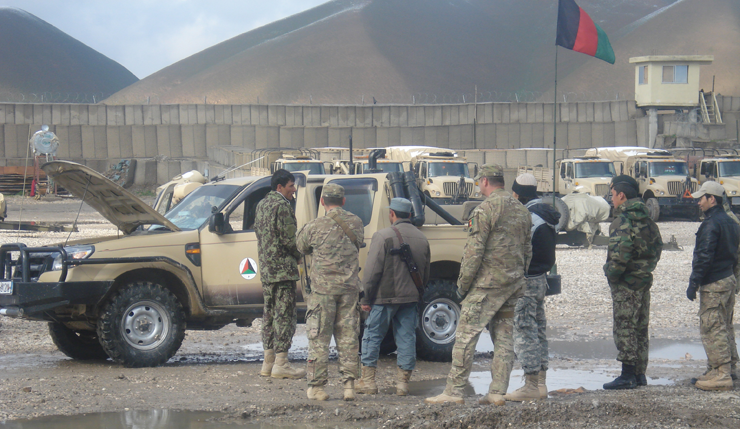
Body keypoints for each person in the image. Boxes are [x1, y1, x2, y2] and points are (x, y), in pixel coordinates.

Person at [425, 164, 531, 406]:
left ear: (484, 182)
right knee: (504, 336)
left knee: (465, 336)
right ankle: (497, 392)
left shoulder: (484, 210)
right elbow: (527, 250)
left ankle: (453, 392)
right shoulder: (521, 211)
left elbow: (473, 253)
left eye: (478, 182)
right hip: (512, 283)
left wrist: (462, 286)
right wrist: (518, 276)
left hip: (486, 285)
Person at [296, 183, 365, 401]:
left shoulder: (315, 225)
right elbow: (359, 243)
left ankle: (317, 387)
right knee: (348, 337)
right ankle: (349, 387)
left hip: (322, 292)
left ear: (322, 202)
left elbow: (301, 246)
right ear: (344, 201)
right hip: (349, 289)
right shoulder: (356, 223)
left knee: (319, 338)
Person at [357, 198, 431, 396]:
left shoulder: (382, 236)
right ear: (409, 214)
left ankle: (369, 382)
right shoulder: (421, 238)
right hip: (410, 298)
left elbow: (372, 272)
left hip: (384, 298)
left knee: (372, 336)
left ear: (392, 213)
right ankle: (403, 385)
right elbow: (425, 273)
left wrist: (366, 299)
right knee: (407, 338)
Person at [504, 173, 560, 402]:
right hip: (541, 280)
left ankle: (529, 386)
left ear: (517, 194)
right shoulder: (547, 214)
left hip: (525, 282)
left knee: (525, 332)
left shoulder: (526, 216)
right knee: (538, 331)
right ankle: (541, 384)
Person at [602, 175, 662, 390]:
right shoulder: (648, 220)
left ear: (621, 195)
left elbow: (619, 256)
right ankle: (639, 374)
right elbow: (657, 249)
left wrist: (611, 274)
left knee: (625, 326)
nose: (611, 199)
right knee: (640, 328)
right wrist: (645, 270)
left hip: (626, 285)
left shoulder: (622, 221)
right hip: (644, 282)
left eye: (612, 194)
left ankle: (627, 375)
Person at [686, 181, 739, 391]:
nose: (698, 202)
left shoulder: (711, 224)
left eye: (701, 198)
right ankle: (721, 369)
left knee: (712, 327)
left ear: (712, 199)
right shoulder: (732, 222)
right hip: (728, 280)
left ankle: (722, 375)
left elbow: (704, 257)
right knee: (724, 326)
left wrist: (693, 283)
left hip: (715, 283)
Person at [254, 169, 306, 380]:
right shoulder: (281, 206)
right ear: (280, 187)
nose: (293, 190)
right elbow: (288, 239)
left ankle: (268, 362)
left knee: (269, 314)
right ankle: (281, 363)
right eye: (291, 186)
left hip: (267, 270)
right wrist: (300, 254)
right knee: (284, 316)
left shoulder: (262, 204)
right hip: (283, 271)